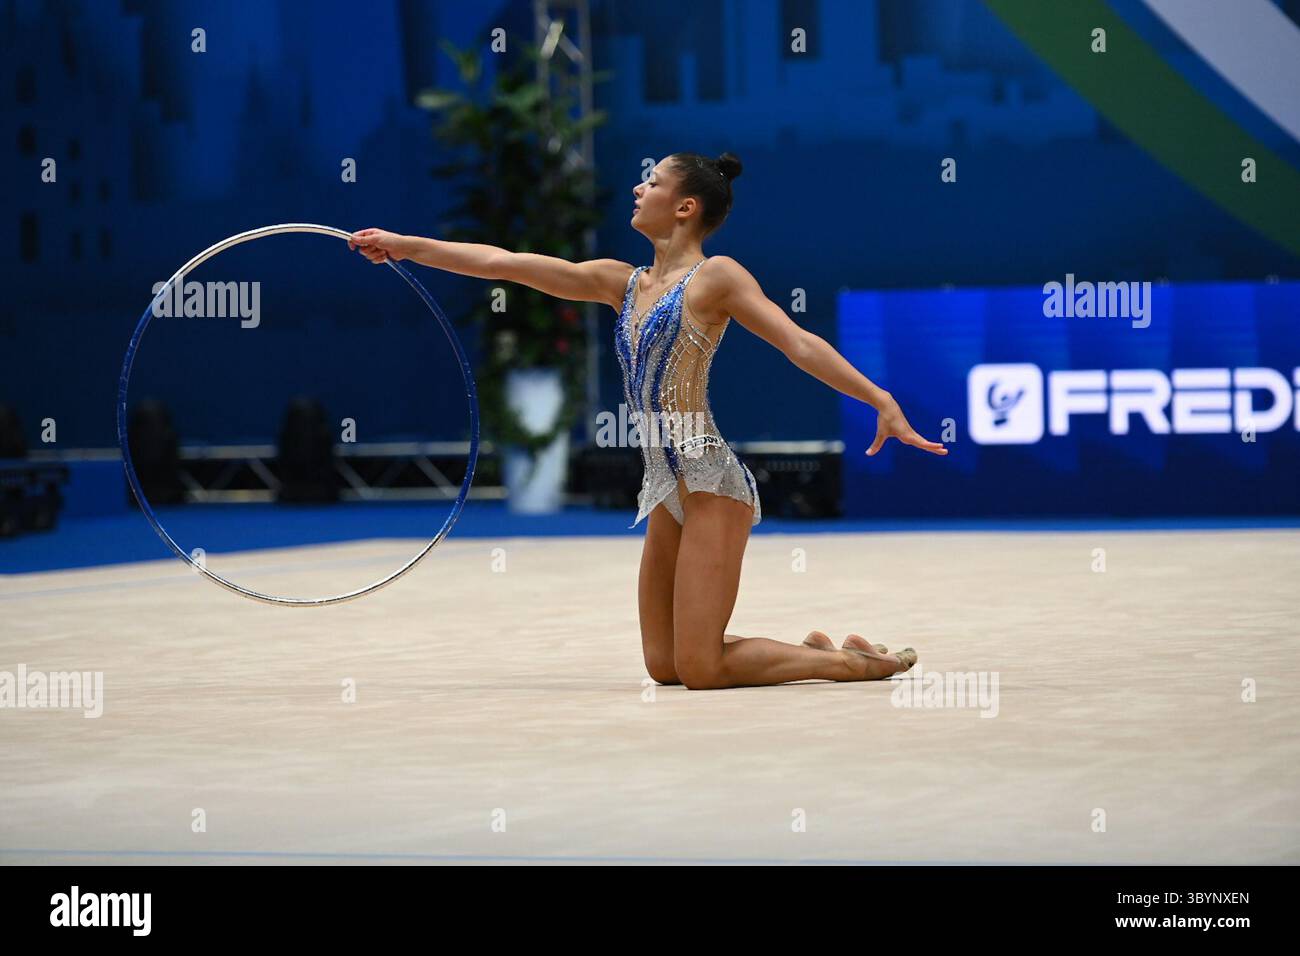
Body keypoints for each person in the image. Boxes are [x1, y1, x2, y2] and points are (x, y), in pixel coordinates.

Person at [348, 151, 947, 689]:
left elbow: (798, 343)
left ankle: (852, 663)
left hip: (710, 483)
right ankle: (808, 650)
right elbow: (506, 264)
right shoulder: (621, 283)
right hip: (665, 487)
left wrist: (879, 399)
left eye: (651, 181)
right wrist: (405, 245)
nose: (638, 188)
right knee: (666, 666)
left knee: (703, 670)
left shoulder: (716, 278)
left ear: (685, 207)